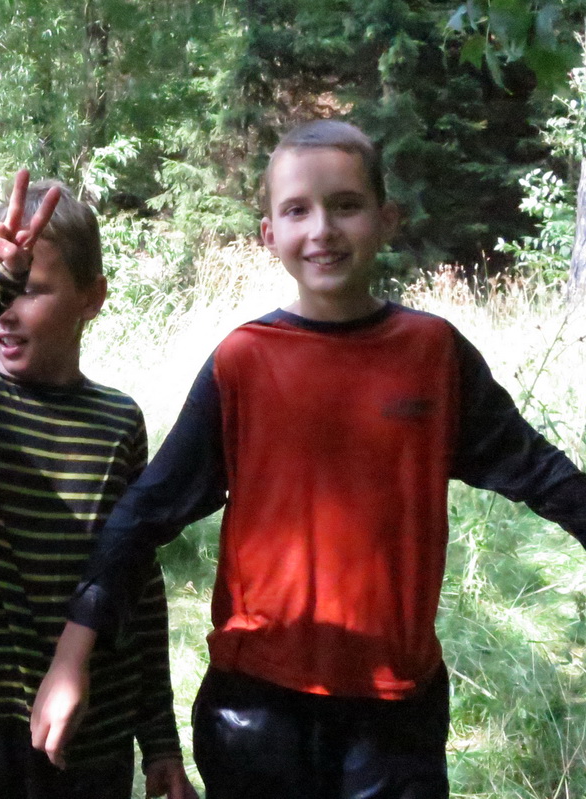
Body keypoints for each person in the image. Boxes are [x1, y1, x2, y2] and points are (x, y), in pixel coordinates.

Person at [30, 119, 586, 799]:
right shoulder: (243, 362)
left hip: (395, 713)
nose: (322, 229)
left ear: (386, 219)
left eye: (346, 205)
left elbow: (541, 473)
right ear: (270, 233)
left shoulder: (434, 354)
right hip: (256, 709)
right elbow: (144, 514)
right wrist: (71, 655)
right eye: (297, 210)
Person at [0, 171, 197, 799]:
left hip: (91, 722)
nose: (4, 312)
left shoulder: (118, 421)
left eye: (29, 289)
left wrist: (159, 738)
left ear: (91, 297)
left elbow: (134, 578)